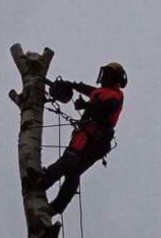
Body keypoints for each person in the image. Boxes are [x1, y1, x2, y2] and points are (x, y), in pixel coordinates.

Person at [33, 62, 127, 215]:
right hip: (85, 137)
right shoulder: (100, 92)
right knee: (72, 171)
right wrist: (71, 85)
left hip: (95, 141)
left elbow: (106, 109)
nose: (103, 77)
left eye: (106, 74)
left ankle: (43, 182)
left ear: (113, 77)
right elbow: (87, 90)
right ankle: (54, 206)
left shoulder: (115, 96)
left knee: (69, 162)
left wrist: (86, 106)